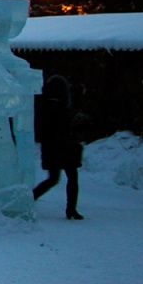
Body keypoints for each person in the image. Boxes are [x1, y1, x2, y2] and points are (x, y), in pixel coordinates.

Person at [32, 74, 84, 220]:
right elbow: (66, 128)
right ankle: (71, 209)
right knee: (71, 178)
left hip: (52, 148)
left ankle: (30, 199)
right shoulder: (61, 108)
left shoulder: (44, 107)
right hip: (64, 148)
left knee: (53, 179)